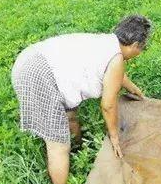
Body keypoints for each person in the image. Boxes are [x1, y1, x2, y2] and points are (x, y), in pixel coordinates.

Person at [11, 15, 151, 184]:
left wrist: (134, 90)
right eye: (141, 48)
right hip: (39, 75)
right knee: (58, 145)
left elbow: (117, 75)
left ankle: (78, 150)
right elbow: (108, 106)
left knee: (70, 116)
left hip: (31, 59)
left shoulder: (107, 42)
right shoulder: (116, 59)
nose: (139, 53)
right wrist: (114, 136)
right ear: (135, 45)